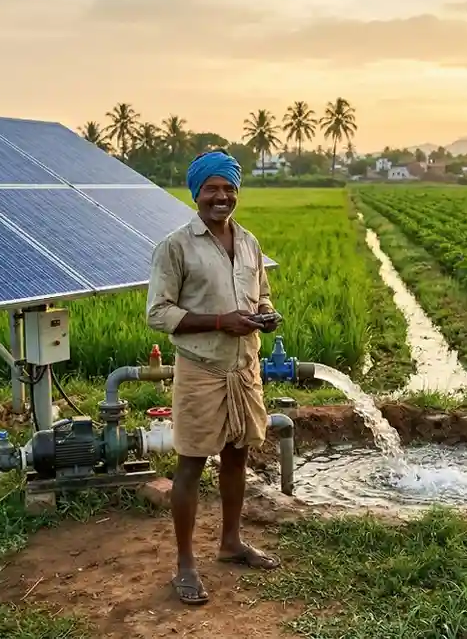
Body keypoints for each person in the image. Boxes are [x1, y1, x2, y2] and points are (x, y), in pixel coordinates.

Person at [145, 149, 282, 606]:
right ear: (196, 194)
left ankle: (231, 543)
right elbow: (159, 314)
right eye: (212, 189)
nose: (221, 197)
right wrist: (221, 321)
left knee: (238, 454)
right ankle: (185, 565)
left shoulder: (249, 242)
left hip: (244, 369)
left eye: (228, 189)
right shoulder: (176, 246)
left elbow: (261, 294)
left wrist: (265, 314)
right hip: (201, 370)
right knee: (191, 465)